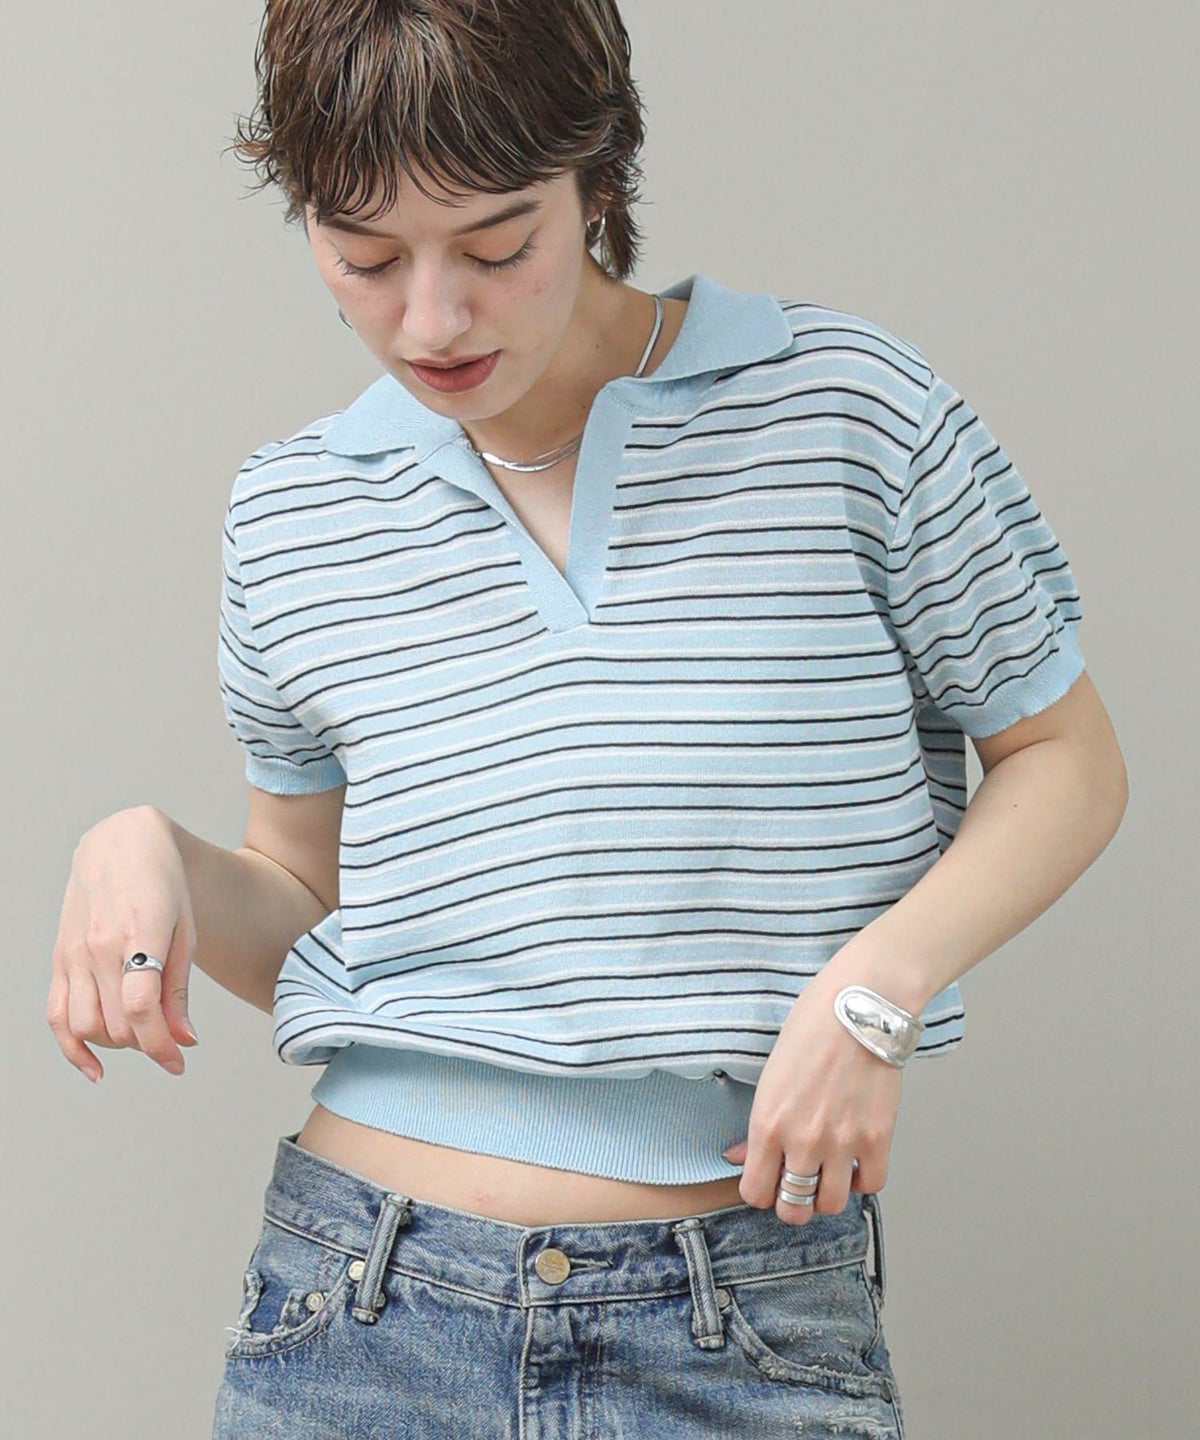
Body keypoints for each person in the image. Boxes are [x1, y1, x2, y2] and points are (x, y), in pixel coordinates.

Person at [46, 3, 1128, 1436]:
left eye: (498, 247)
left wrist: (877, 991)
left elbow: (1065, 761)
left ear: (596, 176)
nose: (431, 320)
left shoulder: (845, 412)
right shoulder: (295, 511)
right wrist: (149, 854)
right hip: (359, 1314)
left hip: (734, 1321)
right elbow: (307, 904)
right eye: (365, 257)